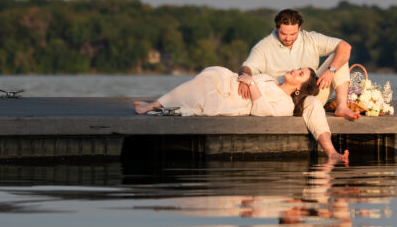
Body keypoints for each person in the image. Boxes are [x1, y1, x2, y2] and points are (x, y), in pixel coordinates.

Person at [134, 66, 349, 163]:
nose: (295, 70)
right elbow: (246, 77)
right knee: (206, 80)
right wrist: (243, 78)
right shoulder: (272, 80)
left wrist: (252, 84)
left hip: (231, 100)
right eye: (298, 68)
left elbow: (261, 111)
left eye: (300, 73)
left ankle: (154, 106)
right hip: (228, 84)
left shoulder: (284, 104)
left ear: (300, 88)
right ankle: (157, 104)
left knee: (201, 90)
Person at [237, 8, 361, 121]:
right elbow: (247, 67)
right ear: (276, 28)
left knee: (340, 56)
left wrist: (331, 70)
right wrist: (244, 78)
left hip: (314, 94)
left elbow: (345, 46)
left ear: (299, 29)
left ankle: (342, 106)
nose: (288, 38)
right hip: (286, 103)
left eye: (293, 34)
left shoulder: (310, 38)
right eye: (283, 34)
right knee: (312, 103)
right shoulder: (263, 47)